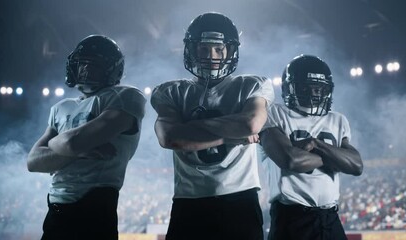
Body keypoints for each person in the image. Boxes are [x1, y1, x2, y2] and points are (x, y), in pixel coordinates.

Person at [150, 12, 274, 240]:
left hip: (240, 200)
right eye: (204, 49)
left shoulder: (252, 85)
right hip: (189, 201)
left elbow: (250, 124)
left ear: (230, 51)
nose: (212, 56)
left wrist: (191, 128)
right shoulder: (171, 91)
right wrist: (229, 136)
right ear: (192, 50)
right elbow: (170, 138)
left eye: (218, 49)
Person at [27, 35, 146, 240]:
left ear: (112, 70)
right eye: (82, 64)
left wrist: (60, 145)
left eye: (95, 65)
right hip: (54, 210)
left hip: (95, 209)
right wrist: (81, 151)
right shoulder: (61, 107)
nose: (85, 70)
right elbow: (33, 161)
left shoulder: (126, 96)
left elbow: (72, 143)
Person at [259, 54, 363, 240]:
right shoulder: (274, 113)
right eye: (307, 87)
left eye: (320, 88)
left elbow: (356, 166)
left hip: (330, 218)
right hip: (291, 218)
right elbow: (291, 160)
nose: (315, 93)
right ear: (290, 88)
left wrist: (315, 144)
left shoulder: (337, 119)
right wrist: (335, 159)